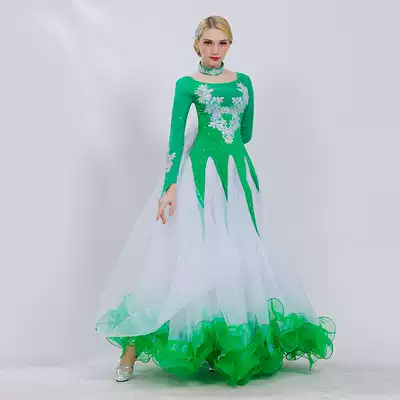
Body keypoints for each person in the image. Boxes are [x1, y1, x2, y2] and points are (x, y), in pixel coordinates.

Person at [95, 15, 336, 386]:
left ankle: (224, 347)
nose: (215, 50)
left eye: (222, 43)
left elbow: (246, 132)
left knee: (241, 253)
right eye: (208, 42)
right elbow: (176, 138)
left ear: (229, 45)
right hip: (200, 175)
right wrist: (170, 186)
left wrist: (224, 144)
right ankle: (131, 349)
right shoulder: (187, 84)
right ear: (197, 44)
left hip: (238, 178)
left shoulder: (243, 82)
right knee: (185, 254)